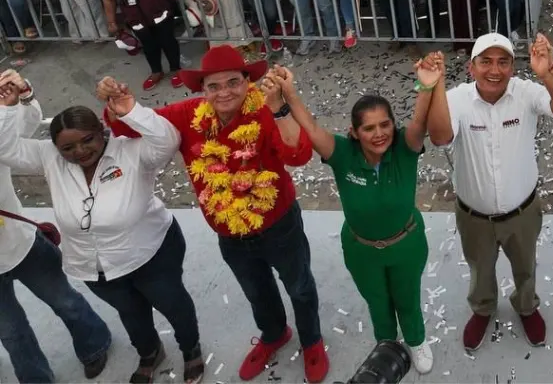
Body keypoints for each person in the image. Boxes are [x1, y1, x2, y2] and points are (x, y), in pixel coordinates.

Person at [98, 49, 330, 383]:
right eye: (214, 85)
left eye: (233, 82)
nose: (224, 92)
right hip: (229, 233)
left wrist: (279, 107)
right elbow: (132, 128)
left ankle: (311, 341)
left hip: (279, 225)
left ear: (247, 82)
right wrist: (120, 107)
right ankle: (274, 334)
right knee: (256, 292)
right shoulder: (188, 114)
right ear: (203, 90)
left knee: (299, 287)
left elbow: (299, 155)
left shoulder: (267, 110)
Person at [0, 70, 205, 384]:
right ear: (54, 147)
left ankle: (190, 350)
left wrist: (131, 111)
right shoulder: (48, 158)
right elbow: (6, 149)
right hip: (97, 269)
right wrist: (11, 107)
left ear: (101, 131)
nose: (80, 152)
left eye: (87, 140)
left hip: (151, 254)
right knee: (132, 316)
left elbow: (168, 140)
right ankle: (149, 353)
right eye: (67, 148)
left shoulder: (131, 151)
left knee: (174, 306)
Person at [270, 62, 437, 374]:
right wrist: (289, 95)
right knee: (377, 301)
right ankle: (387, 345)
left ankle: (415, 340)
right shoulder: (343, 153)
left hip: (406, 244)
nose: (379, 134)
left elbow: (419, 122)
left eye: (385, 125)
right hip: (362, 250)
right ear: (354, 132)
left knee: (408, 296)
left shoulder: (405, 147)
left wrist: (425, 87)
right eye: (369, 128)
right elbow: (312, 130)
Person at [423, 32, 553, 351]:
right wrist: (434, 85)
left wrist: (547, 72)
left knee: (526, 266)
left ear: (513, 68)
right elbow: (439, 137)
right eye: (486, 62)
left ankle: (526, 306)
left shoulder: (526, 93)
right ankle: (482, 309)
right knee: (480, 268)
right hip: (474, 216)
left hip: (522, 212)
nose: (495, 70)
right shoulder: (456, 98)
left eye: (503, 62)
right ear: (471, 67)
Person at [0, 71, 112, 384]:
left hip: (21, 245)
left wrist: (20, 98)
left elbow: (20, 127)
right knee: (11, 333)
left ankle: (94, 345)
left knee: (65, 301)